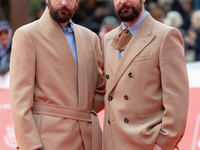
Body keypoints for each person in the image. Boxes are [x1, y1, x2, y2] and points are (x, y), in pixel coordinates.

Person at [10, 0, 105, 150]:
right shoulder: (27, 35)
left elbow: (101, 89)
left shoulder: (90, 38)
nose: (63, 2)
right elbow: (20, 103)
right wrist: (31, 146)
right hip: (47, 141)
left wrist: (79, 109)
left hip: (88, 139)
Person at [101, 0, 189, 150]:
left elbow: (177, 100)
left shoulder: (166, 35)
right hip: (112, 143)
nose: (123, 1)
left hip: (147, 143)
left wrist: (163, 144)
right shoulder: (107, 40)